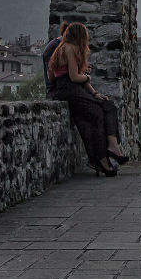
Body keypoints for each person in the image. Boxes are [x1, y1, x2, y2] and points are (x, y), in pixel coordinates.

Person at [47, 22, 128, 176]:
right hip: (70, 90)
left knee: (106, 106)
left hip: (67, 89)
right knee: (99, 113)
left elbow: (52, 77)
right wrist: (87, 76)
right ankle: (106, 156)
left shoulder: (59, 50)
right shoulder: (71, 49)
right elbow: (74, 77)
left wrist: (94, 93)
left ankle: (109, 150)